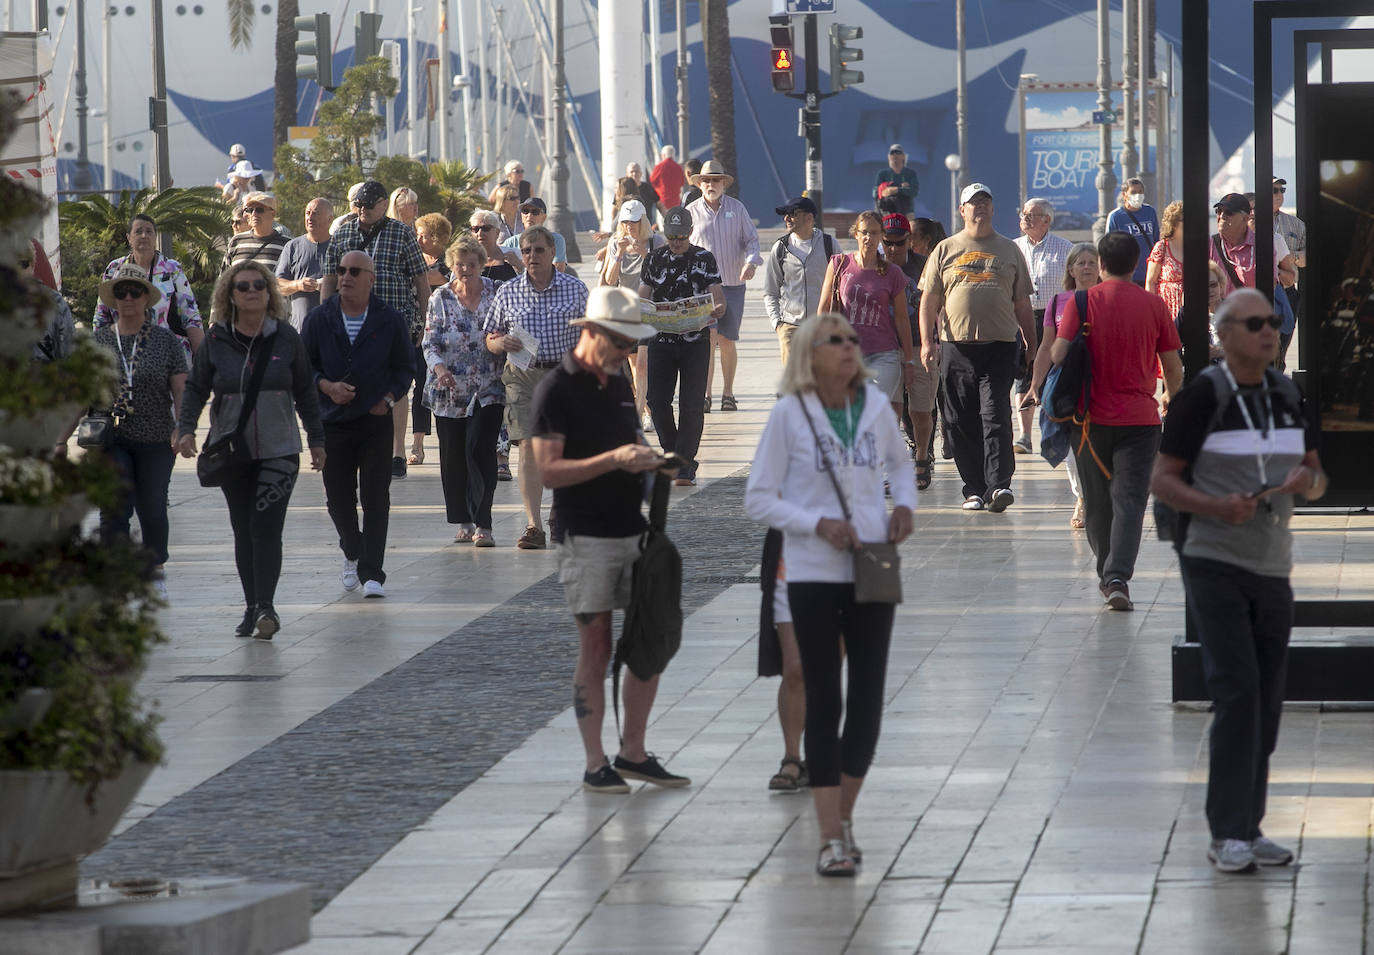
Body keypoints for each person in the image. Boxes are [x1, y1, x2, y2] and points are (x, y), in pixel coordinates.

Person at [1150, 287, 1326, 874]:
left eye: (1273, 322)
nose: (1268, 331)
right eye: (1254, 324)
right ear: (1224, 336)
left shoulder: (1285, 392)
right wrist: (1213, 505)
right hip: (1214, 558)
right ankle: (1226, 831)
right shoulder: (1202, 396)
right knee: (1238, 691)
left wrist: (1309, 483)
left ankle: (1249, 828)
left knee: (1269, 701)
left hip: (1274, 563)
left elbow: (1315, 472)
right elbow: (1163, 480)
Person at [744, 312, 915, 877]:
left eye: (850, 339)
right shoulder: (789, 415)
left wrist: (905, 506)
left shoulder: (870, 405)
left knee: (867, 700)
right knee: (825, 698)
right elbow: (759, 499)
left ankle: (842, 818)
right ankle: (828, 835)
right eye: (832, 340)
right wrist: (815, 523)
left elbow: (900, 461)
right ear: (810, 355)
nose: (847, 347)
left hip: (871, 569)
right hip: (813, 573)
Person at [529, 285, 688, 794]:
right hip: (584, 536)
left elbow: (631, 438)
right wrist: (614, 461)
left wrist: (655, 459)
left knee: (648, 640)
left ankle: (634, 753)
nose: (628, 353)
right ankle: (596, 762)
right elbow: (549, 472)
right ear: (594, 333)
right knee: (595, 646)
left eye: (632, 345)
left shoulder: (618, 380)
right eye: (622, 343)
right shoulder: (556, 388)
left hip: (632, 530)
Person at [176, 261, 325, 639]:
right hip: (232, 449)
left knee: (265, 525)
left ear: (270, 292)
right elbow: (195, 387)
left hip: (279, 448)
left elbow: (306, 390)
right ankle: (252, 606)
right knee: (243, 529)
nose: (253, 290)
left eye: (260, 284)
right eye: (243, 286)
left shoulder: (286, 337)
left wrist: (317, 440)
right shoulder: (216, 340)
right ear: (231, 295)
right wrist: (186, 428)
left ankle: (267, 606)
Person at [1050, 232, 1182, 611]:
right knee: (1130, 501)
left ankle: (1107, 572)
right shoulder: (1155, 306)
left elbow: (1059, 354)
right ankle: (1117, 576)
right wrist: (1171, 397)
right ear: (1137, 263)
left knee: (1096, 502)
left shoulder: (1081, 302)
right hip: (1141, 421)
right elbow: (1173, 365)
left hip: (1090, 421)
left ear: (1102, 265)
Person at [302, 250, 415, 599]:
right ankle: (352, 549)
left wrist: (389, 399)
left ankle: (372, 572)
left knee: (375, 497)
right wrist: (327, 387)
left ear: (371, 279)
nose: (345, 277)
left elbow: (405, 368)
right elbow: (304, 368)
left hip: (374, 421)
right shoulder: (320, 318)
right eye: (340, 271)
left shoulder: (389, 319)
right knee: (338, 498)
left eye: (354, 271)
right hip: (332, 422)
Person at [918, 182, 1036, 512]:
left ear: (993, 209)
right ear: (962, 210)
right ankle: (974, 487)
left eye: (985, 201)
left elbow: (1023, 304)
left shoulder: (1009, 250)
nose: (980, 207)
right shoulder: (945, 249)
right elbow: (929, 301)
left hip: (999, 346)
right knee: (958, 420)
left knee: (995, 414)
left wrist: (1031, 345)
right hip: (956, 347)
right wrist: (927, 341)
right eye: (973, 203)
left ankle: (999, 486)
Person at [482, 225, 590, 549]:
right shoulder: (508, 291)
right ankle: (534, 525)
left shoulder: (576, 289)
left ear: (552, 253)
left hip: (564, 375)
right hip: (522, 375)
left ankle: (561, 509)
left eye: (538, 250)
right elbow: (489, 337)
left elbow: (593, 332)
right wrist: (501, 342)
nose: (532, 257)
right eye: (526, 251)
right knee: (527, 444)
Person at [322, 178, 430, 480]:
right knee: (352, 383)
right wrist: (326, 315)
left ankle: (396, 452)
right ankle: (359, 448)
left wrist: (425, 320)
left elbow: (421, 279)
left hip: (395, 322)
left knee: (396, 386)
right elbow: (330, 278)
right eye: (358, 205)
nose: (363, 210)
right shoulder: (342, 234)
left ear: (384, 205)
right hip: (350, 325)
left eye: (369, 205)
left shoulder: (401, 234)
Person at [91, 263, 188, 600]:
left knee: (152, 507)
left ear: (146, 298)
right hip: (111, 437)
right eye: (121, 292)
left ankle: (154, 566)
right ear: (113, 300)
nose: (128, 298)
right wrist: (62, 437)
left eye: (135, 291)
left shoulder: (165, 341)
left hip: (156, 437)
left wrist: (183, 427)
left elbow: (180, 388)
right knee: (115, 506)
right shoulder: (99, 340)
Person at [422, 235, 505, 547]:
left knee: (482, 450)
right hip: (449, 390)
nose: (466, 270)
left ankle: (484, 522)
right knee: (454, 457)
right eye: (460, 265)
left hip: (489, 387)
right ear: (451, 265)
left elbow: (510, 327)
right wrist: (439, 368)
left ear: (482, 265)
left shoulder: (497, 292)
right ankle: (463, 519)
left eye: (472, 264)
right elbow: (429, 342)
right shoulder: (440, 297)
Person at [638, 206, 727, 487]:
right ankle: (672, 454)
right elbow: (643, 294)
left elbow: (717, 295)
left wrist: (718, 309)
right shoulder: (654, 258)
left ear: (690, 232)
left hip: (695, 341)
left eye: (681, 237)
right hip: (661, 339)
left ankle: (685, 465)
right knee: (657, 401)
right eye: (671, 236)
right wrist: (638, 308)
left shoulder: (704, 258)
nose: (676, 242)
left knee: (691, 404)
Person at [1026, 242, 1101, 528]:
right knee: (1071, 447)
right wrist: (1036, 385)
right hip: (1067, 384)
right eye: (1080, 263)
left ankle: (1099, 495)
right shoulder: (1058, 302)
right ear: (1070, 269)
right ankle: (1081, 497)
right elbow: (1047, 347)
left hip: (1100, 381)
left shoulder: (1106, 298)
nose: (1086, 267)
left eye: (1091, 262)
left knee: (1098, 442)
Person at [817, 211, 916, 429]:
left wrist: (908, 361)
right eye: (864, 232)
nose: (868, 238)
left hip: (884, 355)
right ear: (855, 234)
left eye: (873, 233)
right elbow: (823, 309)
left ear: (881, 235)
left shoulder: (893, 273)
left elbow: (901, 320)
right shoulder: (839, 264)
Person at [687, 159, 761, 413]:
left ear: (723, 184)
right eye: (706, 180)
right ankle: (705, 395)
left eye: (715, 180)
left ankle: (728, 394)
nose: (710, 184)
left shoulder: (737, 209)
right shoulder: (692, 212)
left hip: (732, 284)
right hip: (702, 289)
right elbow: (682, 248)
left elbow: (752, 240)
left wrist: (751, 263)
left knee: (727, 340)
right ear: (699, 184)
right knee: (707, 339)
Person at [94, 213, 206, 364]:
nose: (144, 235)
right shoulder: (114, 269)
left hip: (167, 355)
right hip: (123, 356)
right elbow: (101, 317)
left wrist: (203, 362)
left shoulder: (172, 268)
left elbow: (191, 316)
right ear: (129, 237)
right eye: (138, 231)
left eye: (149, 231)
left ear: (155, 236)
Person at [1012, 197, 1074, 454]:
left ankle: (1057, 431)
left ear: (1047, 220)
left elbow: (1072, 284)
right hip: (1022, 316)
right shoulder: (1013, 248)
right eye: (1024, 213)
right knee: (1022, 376)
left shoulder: (1064, 248)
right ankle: (1024, 436)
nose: (1025, 218)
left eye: (1032, 214)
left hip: (1055, 319)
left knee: (1056, 375)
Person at [600, 198, 666, 429]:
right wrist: (617, 255)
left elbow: (664, 275)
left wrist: (645, 256)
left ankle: (642, 413)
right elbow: (609, 280)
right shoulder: (615, 242)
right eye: (626, 222)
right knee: (633, 364)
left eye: (634, 222)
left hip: (649, 309)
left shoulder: (656, 241)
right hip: (625, 311)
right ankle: (646, 410)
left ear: (643, 221)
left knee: (643, 365)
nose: (629, 227)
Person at [881, 213, 935, 489]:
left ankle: (923, 457)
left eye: (899, 243)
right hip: (887, 346)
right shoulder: (875, 266)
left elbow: (940, 301)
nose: (892, 249)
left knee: (921, 409)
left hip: (919, 343)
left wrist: (935, 342)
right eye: (887, 243)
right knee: (891, 409)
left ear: (909, 241)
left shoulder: (924, 266)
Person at [762, 195, 836, 365]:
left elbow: (843, 285)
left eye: (792, 213)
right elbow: (770, 292)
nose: (786, 218)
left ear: (809, 218)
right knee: (794, 385)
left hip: (822, 328)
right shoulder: (780, 248)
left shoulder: (829, 245)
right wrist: (778, 324)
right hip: (790, 328)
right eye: (785, 214)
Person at [409, 212, 454, 465]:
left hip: (444, 334)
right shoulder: (416, 260)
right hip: (419, 330)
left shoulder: (447, 262)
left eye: (422, 235)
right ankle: (417, 445)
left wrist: (417, 268)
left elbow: (433, 278)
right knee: (419, 387)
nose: (417, 239)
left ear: (435, 238)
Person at [275, 197, 334, 330]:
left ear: (330, 219)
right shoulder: (292, 247)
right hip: (300, 331)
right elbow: (277, 285)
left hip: (332, 332)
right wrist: (298, 285)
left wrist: (330, 284)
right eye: (308, 213)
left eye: (316, 213)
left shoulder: (339, 248)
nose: (310, 217)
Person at [1106, 177, 1159, 286]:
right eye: (1133, 192)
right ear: (1124, 195)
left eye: (1140, 192)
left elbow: (1157, 240)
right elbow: (1109, 248)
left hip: (1150, 273)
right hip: (1127, 275)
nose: (1138, 195)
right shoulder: (1115, 217)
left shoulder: (1150, 211)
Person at [221, 192, 289, 273]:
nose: (254, 214)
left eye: (259, 210)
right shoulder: (235, 242)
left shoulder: (287, 245)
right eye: (249, 210)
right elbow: (223, 279)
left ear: (272, 213)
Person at [499, 197, 568, 272]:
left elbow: (557, 271)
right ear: (521, 216)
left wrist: (520, 266)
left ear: (544, 218)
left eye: (535, 212)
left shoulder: (556, 240)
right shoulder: (510, 242)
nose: (529, 215)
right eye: (525, 211)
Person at [1146, 200, 1186, 319]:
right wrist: (1153, 310)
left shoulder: (1195, 247)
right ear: (1173, 223)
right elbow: (1150, 281)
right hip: (1166, 311)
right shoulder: (1162, 247)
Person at [471, 209, 520, 283]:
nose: (480, 233)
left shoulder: (514, 254)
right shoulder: (467, 258)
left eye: (486, 228)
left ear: (497, 232)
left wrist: (520, 266)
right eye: (475, 229)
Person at [873, 144, 919, 216]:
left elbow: (914, 191)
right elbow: (875, 193)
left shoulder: (910, 174)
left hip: (906, 213)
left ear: (903, 156)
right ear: (888, 156)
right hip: (885, 213)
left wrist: (895, 189)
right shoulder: (882, 174)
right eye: (892, 153)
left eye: (898, 152)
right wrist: (902, 187)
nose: (895, 155)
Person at [650, 145, 687, 226]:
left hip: (662, 202)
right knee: (675, 226)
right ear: (673, 155)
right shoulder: (678, 168)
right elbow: (681, 183)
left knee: (663, 226)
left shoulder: (659, 167)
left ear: (663, 155)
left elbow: (652, 182)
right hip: (676, 202)